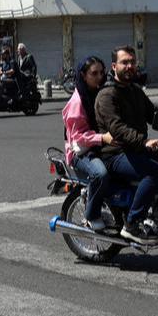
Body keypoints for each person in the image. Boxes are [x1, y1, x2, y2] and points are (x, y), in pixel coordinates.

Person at [95, 45, 158, 243]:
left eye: (132, 62)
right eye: (125, 62)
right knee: (154, 172)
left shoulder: (135, 91)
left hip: (137, 149)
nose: (130, 66)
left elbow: (157, 116)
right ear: (114, 66)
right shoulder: (107, 95)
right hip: (114, 154)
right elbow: (118, 129)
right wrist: (146, 141)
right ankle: (132, 224)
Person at [62, 55, 115, 231]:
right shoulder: (78, 101)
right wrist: (102, 138)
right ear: (84, 76)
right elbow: (78, 136)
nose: (100, 76)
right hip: (81, 152)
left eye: (101, 72)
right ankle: (91, 215)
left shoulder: (98, 93)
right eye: (94, 73)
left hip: (98, 146)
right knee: (101, 174)